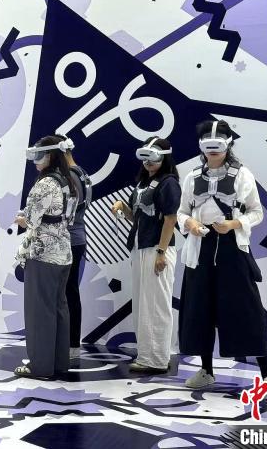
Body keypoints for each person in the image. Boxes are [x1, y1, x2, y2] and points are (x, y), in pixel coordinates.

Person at [177, 120, 267, 397]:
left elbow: (256, 212)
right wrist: (190, 224)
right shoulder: (191, 177)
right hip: (200, 247)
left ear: (228, 144)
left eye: (218, 144)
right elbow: (182, 211)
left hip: (232, 248)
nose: (213, 150)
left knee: (247, 309)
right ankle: (206, 370)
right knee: (201, 309)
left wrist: (234, 224)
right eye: (207, 144)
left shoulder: (242, 175)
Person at [111, 137, 180, 373]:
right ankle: (147, 355)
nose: (149, 162)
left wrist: (161, 251)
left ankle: (157, 359)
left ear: (164, 157)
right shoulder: (143, 183)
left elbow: (171, 218)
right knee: (143, 305)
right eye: (145, 157)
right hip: (141, 247)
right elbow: (138, 218)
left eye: (154, 157)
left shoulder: (169, 183)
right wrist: (123, 207)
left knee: (157, 304)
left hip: (157, 248)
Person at [14, 135, 78, 379]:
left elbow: (31, 220)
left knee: (39, 311)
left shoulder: (44, 184)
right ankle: (59, 362)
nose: (35, 159)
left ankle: (40, 366)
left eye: (39, 154)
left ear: (50, 155)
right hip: (63, 252)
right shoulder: (68, 181)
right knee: (59, 308)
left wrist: (21, 219)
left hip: (43, 254)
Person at [55, 134, 92, 359]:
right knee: (70, 291)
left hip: (69, 239)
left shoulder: (69, 176)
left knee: (67, 293)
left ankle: (70, 344)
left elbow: (63, 213)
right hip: (77, 237)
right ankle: (71, 343)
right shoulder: (82, 173)